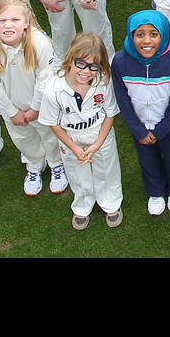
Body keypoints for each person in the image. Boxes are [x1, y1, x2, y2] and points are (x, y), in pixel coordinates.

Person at [0, 0, 66, 196]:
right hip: (12, 108)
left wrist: (34, 109)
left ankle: (56, 163)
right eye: (1, 21)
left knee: (49, 134)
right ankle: (34, 163)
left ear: (26, 22)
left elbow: (43, 80)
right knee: (22, 137)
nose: (7, 26)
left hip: (42, 106)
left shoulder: (40, 44)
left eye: (15, 20)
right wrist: (11, 111)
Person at [39, 34, 122, 229]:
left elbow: (110, 114)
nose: (87, 71)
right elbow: (53, 123)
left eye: (94, 66)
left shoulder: (103, 82)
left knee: (107, 169)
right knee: (77, 171)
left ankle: (110, 202)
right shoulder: (53, 89)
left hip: (99, 133)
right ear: (69, 58)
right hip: (70, 138)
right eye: (81, 63)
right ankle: (83, 204)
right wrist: (75, 148)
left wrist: (98, 143)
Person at [112, 10, 170, 216]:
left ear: (163, 35)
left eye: (153, 34)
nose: (146, 41)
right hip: (140, 127)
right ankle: (155, 192)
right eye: (140, 34)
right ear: (131, 35)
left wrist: (162, 128)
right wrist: (138, 130)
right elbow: (122, 99)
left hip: (168, 126)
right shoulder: (120, 62)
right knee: (147, 161)